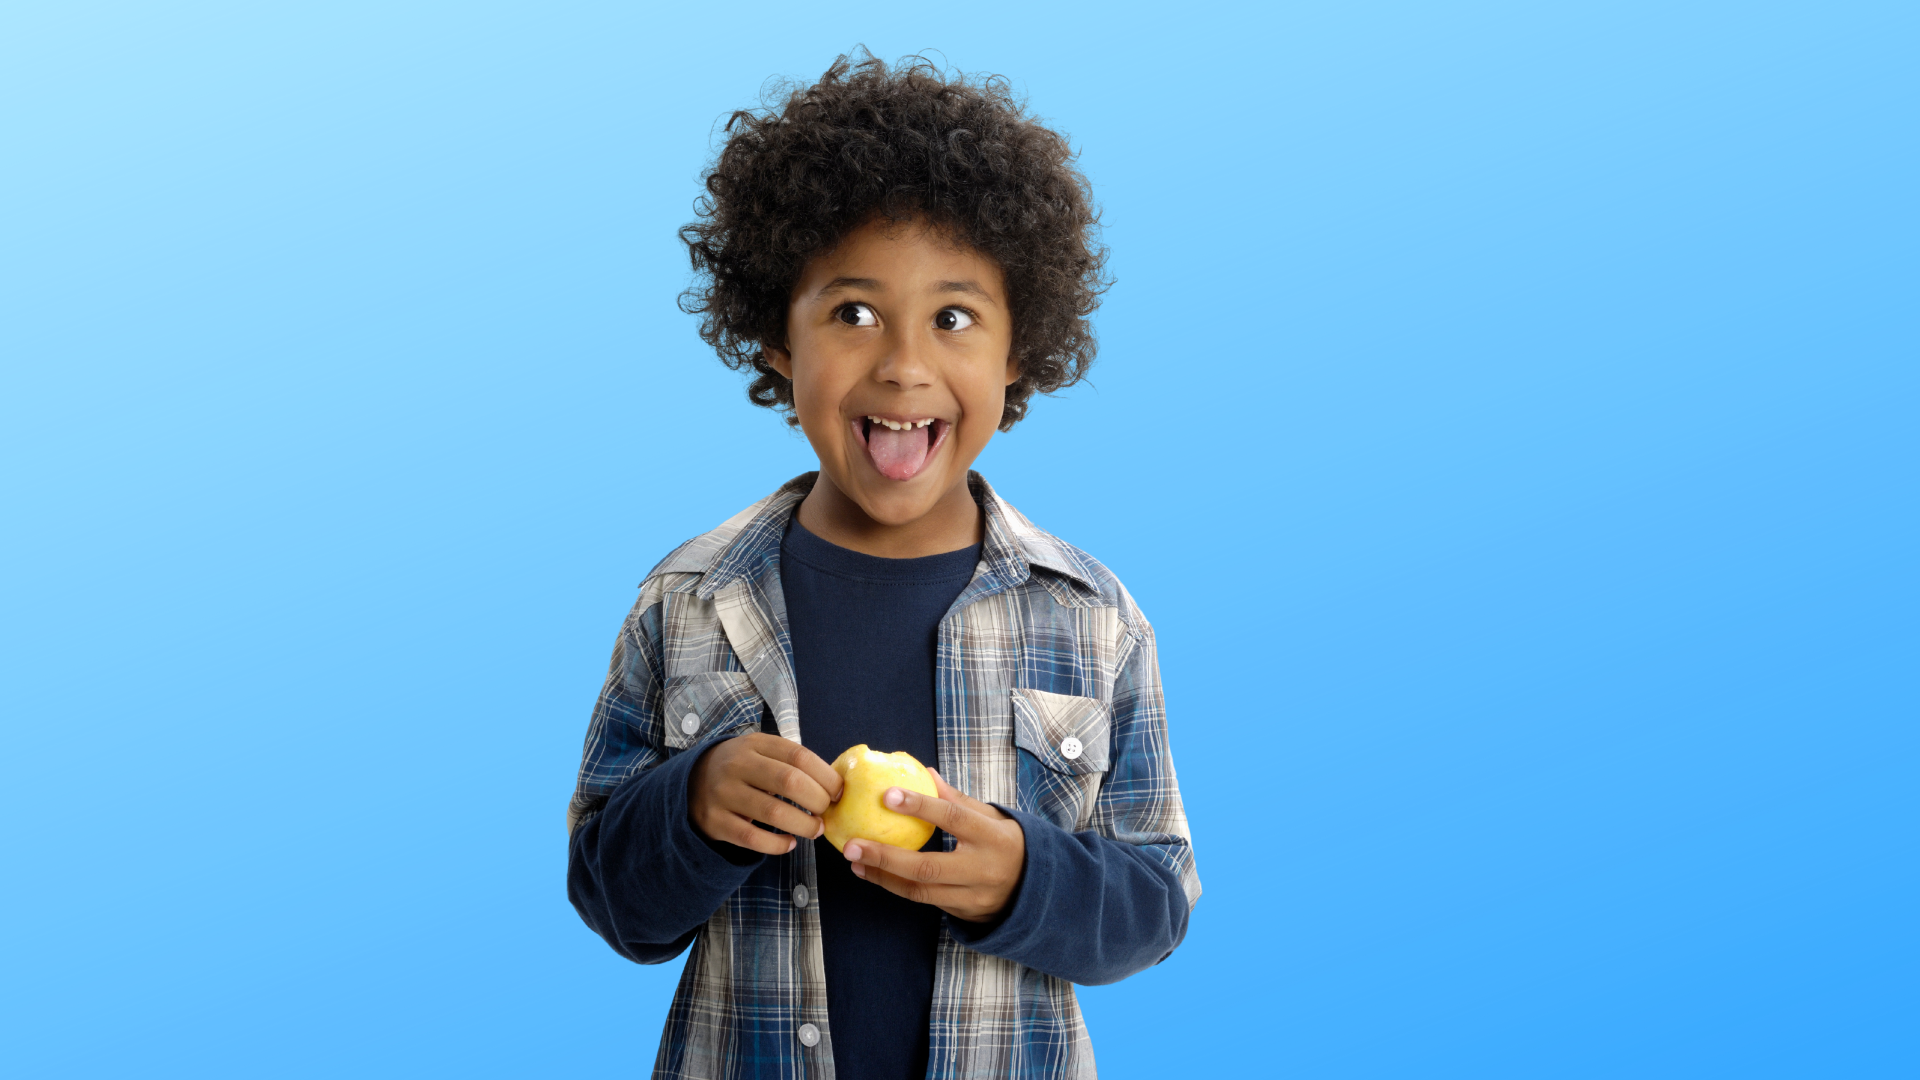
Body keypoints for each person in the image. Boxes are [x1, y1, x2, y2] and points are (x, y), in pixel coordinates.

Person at [566, 52, 1199, 1080]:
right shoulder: (686, 603)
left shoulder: (1092, 617)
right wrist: (693, 808)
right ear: (777, 335)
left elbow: (1157, 903)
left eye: (953, 318)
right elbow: (611, 900)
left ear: (1016, 350)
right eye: (853, 313)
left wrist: (1023, 880)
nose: (903, 362)